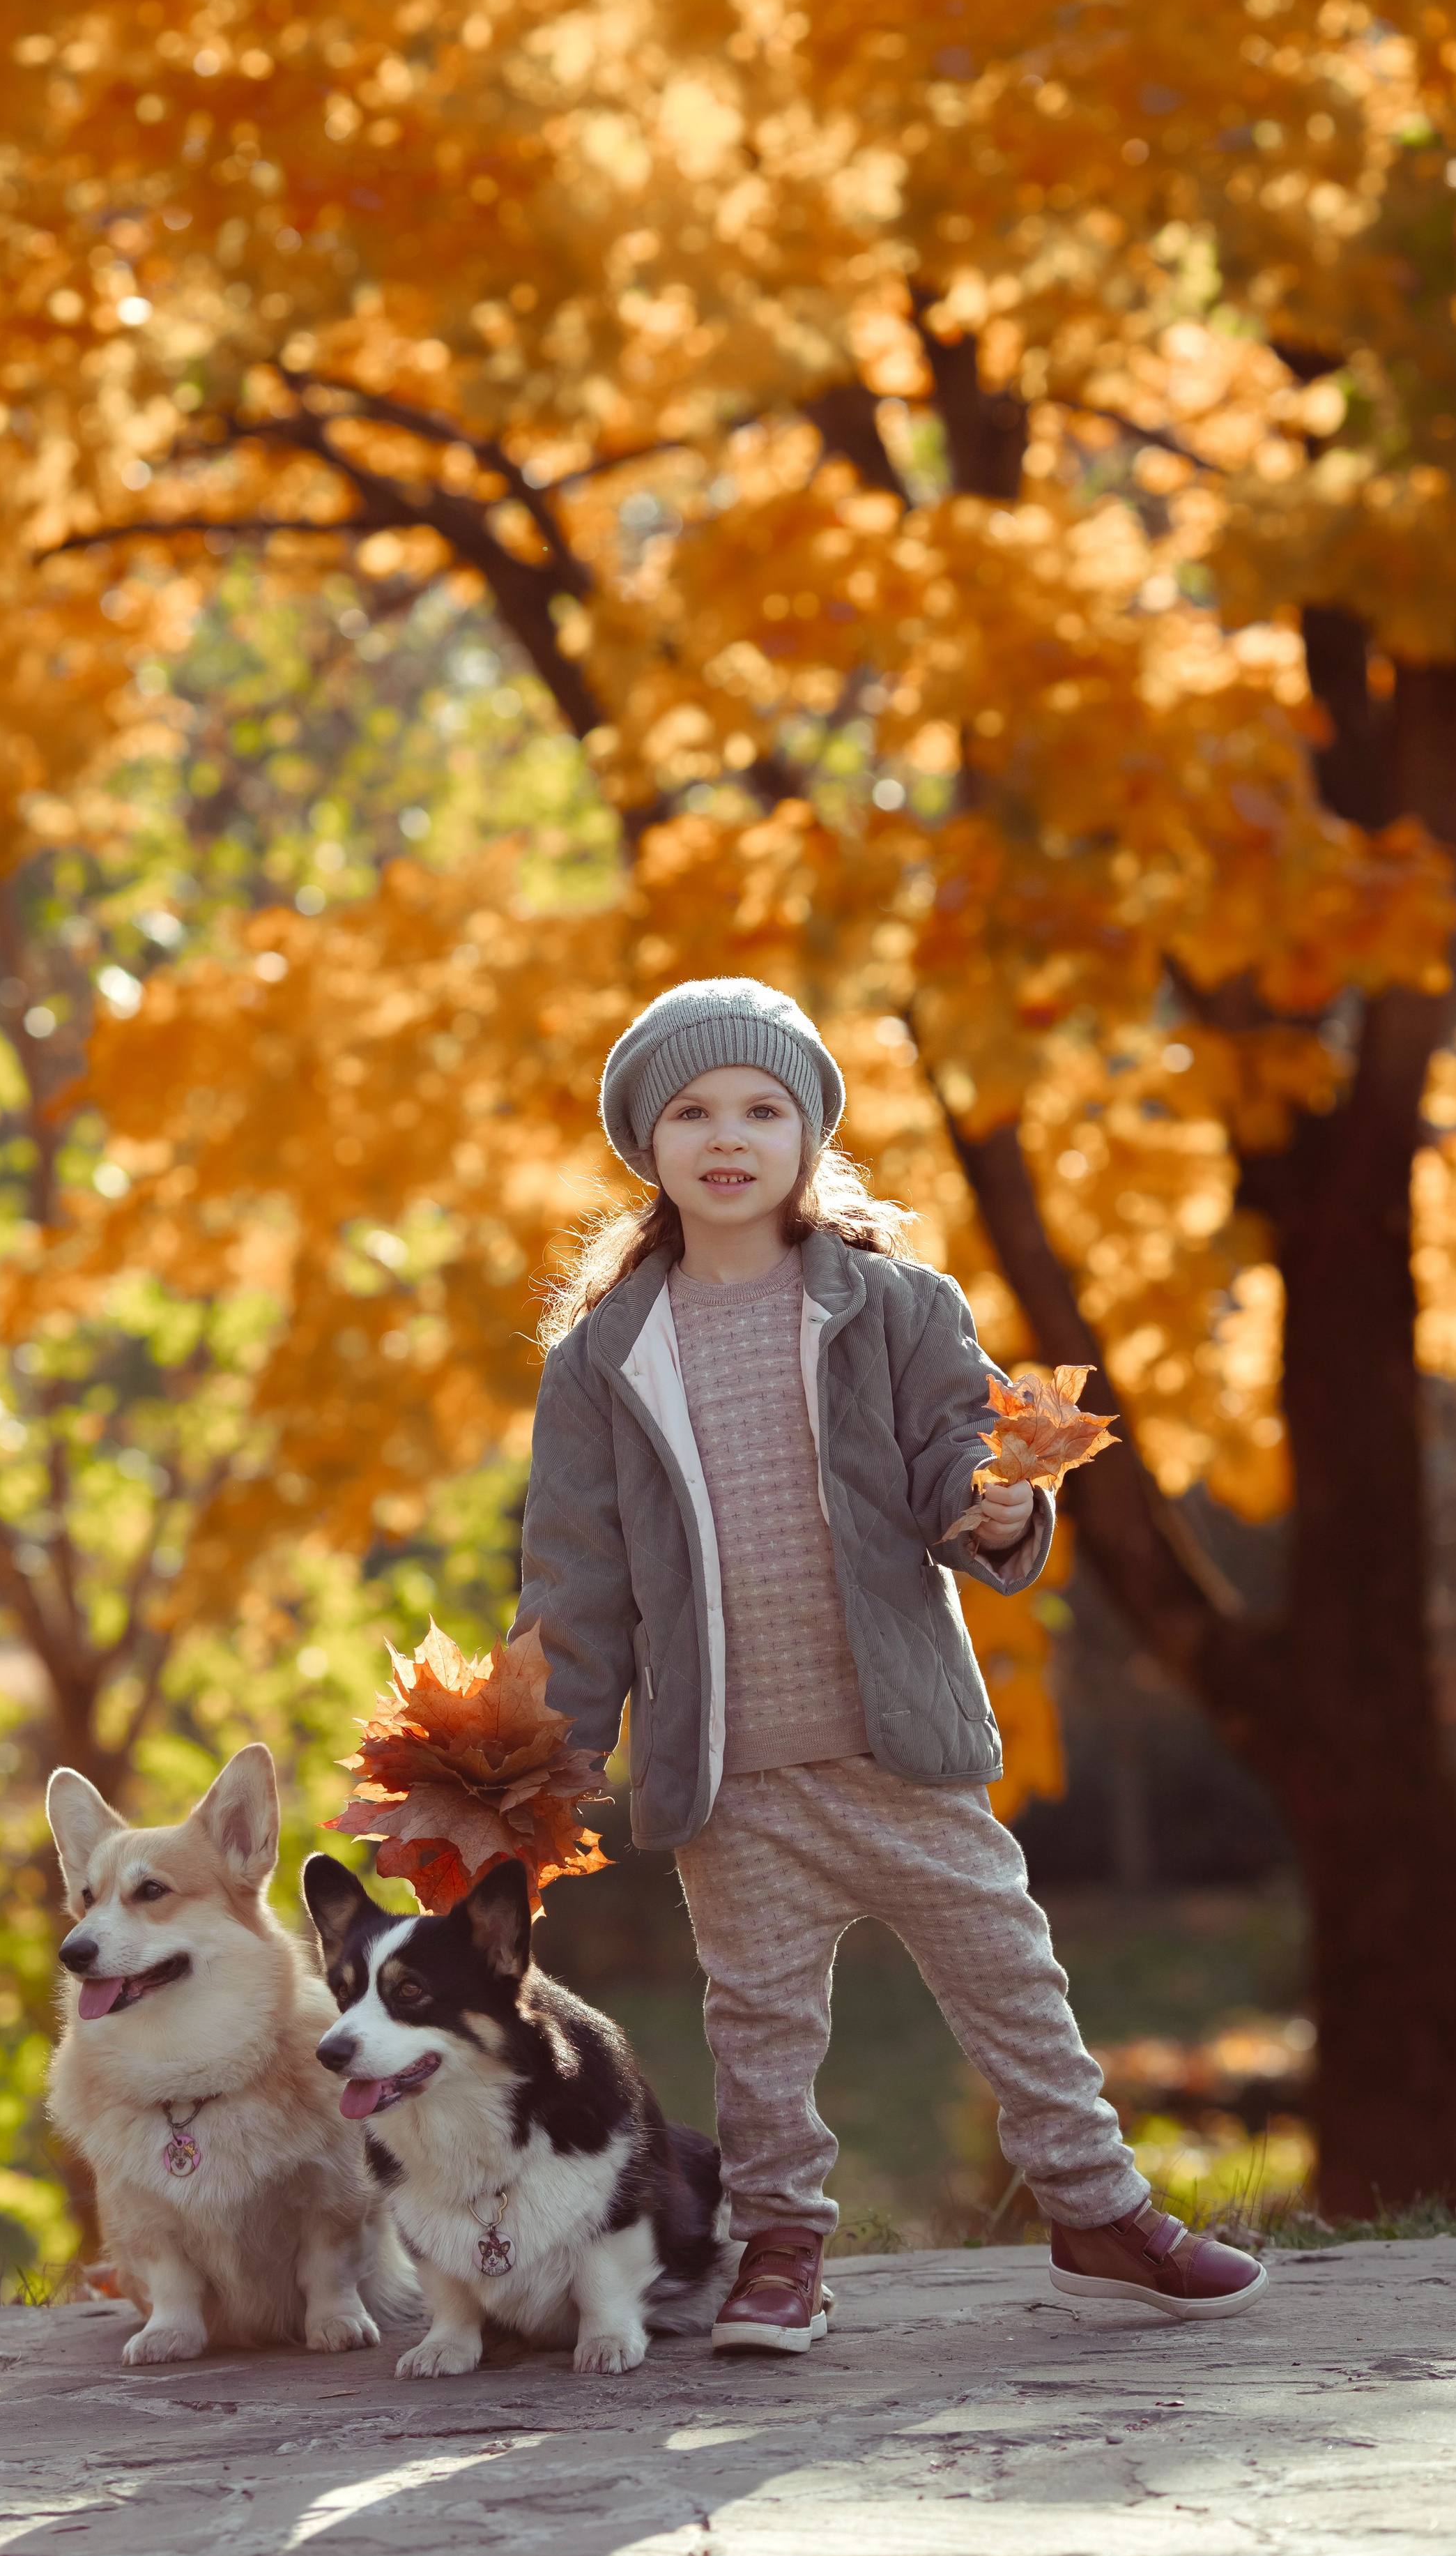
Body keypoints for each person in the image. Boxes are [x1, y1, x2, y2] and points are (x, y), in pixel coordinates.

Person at [514, 977, 1264, 2351]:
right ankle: (779, 2247)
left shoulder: (894, 1307)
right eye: (690, 1110)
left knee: (1007, 1972)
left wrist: (996, 1509)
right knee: (756, 2024)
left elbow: (958, 1472)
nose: (725, 1134)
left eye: (760, 1107)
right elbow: (575, 1582)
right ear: (647, 1144)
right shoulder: (603, 1359)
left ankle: (1094, 2208)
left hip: (897, 1744)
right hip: (728, 1769)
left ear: (808, 1139)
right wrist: (534, 1779)